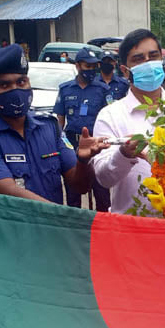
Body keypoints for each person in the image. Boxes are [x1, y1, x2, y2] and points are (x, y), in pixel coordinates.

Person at [0, 44, 108, 205]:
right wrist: (62, 216)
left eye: (21, 82)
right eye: (4, 85)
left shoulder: (49, 126)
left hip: (52, 228)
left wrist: (83, 162)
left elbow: (80, 186)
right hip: (10, 229)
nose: (15, 90)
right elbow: (10, 193)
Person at [90, 28, 165, 214]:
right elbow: (103, 178)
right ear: (125, 71)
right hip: (132, 229)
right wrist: (123, 155)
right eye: (139, 59)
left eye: (153, 56)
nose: (148, 63)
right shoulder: (110, 116)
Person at [53, 48, 114, 210]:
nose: (92, 70)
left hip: (96, 145)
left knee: (101, 193)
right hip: (72, 145)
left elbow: (110, 117)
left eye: (94, 66)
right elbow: (60, 119)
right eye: (88, 66)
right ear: (78, 66)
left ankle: (102, 229)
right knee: (73, 193)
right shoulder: (66, 89)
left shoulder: (102, 89)